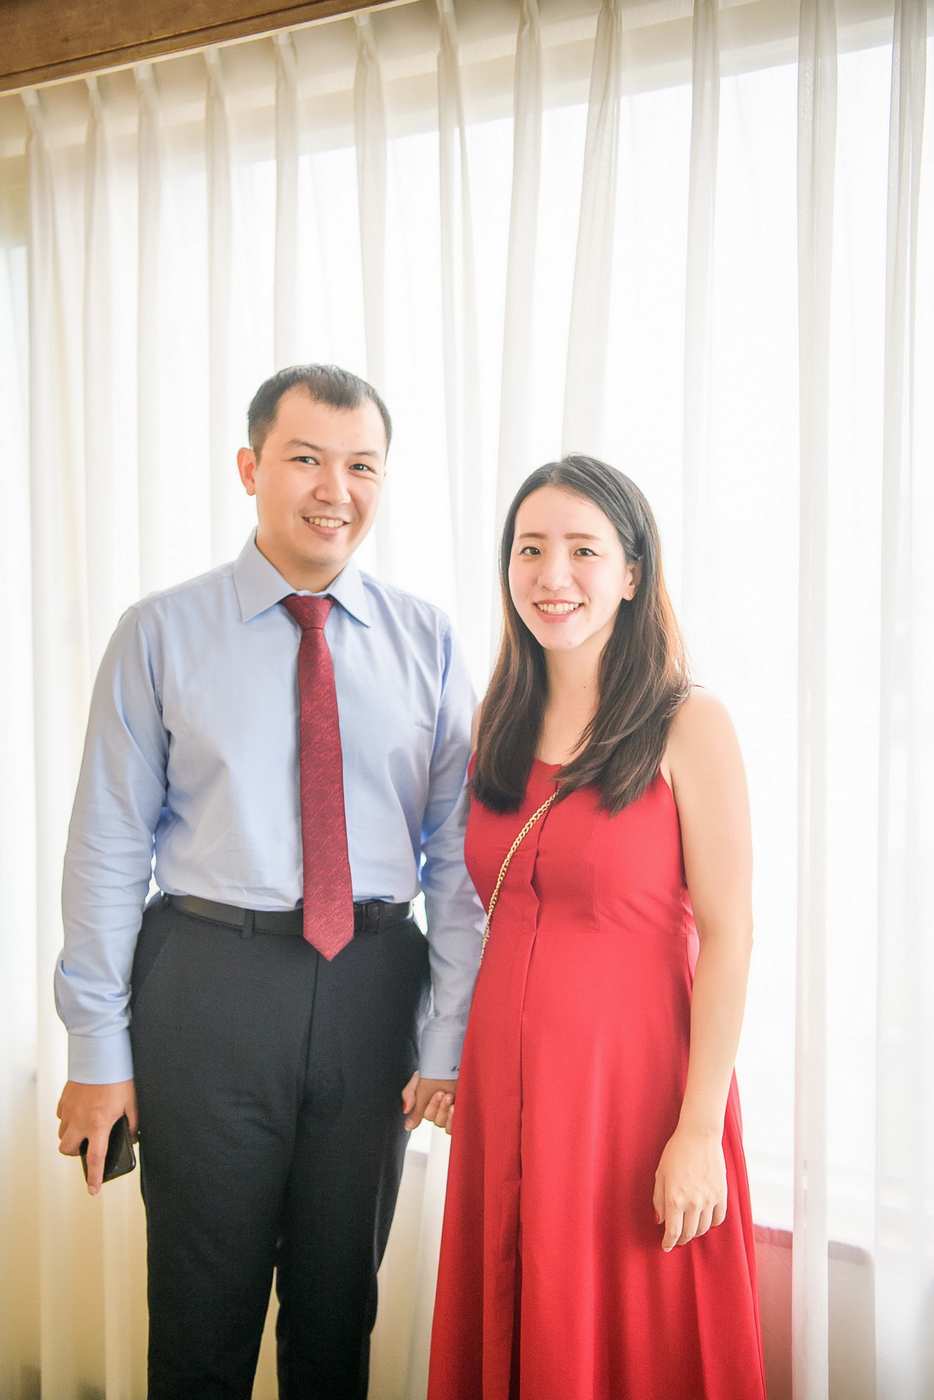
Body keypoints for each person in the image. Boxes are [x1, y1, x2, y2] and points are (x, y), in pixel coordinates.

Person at [54, 363, 483, 1399]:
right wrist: (97, 1049)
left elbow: (459, 856)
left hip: (374, 987)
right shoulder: (160, 632)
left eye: (362, 466)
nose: (335, 489)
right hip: (209, 984)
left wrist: (447, 1038)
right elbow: (107, 845)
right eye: (305, 460)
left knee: (338, 1316)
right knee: (201, 1318)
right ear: (250, 469)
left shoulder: (427, 639)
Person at [426, 456, 767, 1399]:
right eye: (530, 549)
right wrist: (445, 1054)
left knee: (628, 1334)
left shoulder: (689, 723)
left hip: (635, 1094)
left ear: (631, 572)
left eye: (583, 549)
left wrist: (699, 1130)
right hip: (506, 1090)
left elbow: (731, 936)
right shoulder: (497, 720)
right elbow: (473, 909)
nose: (553, 574)